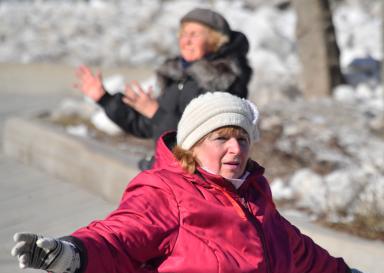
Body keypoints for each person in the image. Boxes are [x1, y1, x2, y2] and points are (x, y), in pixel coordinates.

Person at [11, 92, 376, 273]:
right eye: (222, 138)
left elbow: (291, 249)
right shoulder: (165, 192)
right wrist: (69, 256)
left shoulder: (252, 193)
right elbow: (119, 238)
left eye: (243, 139)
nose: (236, 149)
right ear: (194, 144)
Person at [75, 8, 252, 169]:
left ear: (214, 40)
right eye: (183, 34)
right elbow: (149, 127)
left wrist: (156, 113)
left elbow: (207, 138)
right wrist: (104, 99)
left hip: (195, 180)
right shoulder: (178, 75)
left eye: (194, 34)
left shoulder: (224, 80)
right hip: (166, 172)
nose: (186, 40)